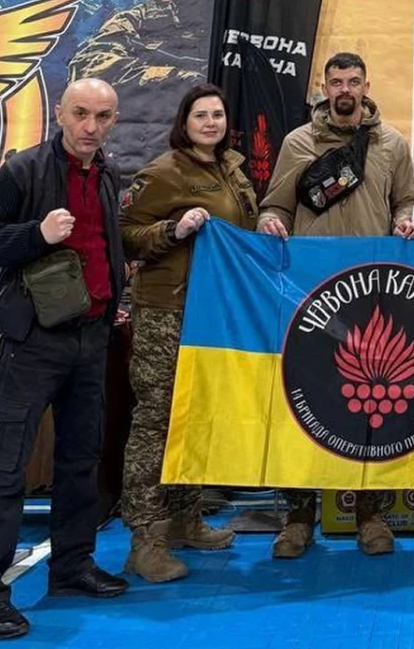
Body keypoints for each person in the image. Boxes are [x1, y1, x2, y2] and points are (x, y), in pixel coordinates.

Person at [0, 79, 129, 639]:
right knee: (5, 466)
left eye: (102, 116)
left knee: (80, 460)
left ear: (114, 120)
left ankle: (72, 566)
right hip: (33, 342)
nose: (90, 127)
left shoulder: (107, 173)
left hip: (90, 338)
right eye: (81, 113)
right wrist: (37, 233)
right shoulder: (24, 170)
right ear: (59, 112)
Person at [258, 52, 414, 558]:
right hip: (311, 293)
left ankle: (370, 513)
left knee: (371, 404)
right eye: (336, 82)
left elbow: (406, 199)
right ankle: (298, 516)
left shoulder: (391, 143)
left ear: (367, 86)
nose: (345, 89)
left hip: (372, 292)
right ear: (325, 88)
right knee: (303, 401)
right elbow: (276, 204)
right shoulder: (298, 142)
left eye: (353, 81)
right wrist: (269, 221)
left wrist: (406, 220)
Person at [118, 83, 257, 582]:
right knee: (156, 422)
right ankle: (145, 539)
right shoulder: (163, 173)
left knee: (194, 418)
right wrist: (171, 230)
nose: (211, 123)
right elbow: (125, 234)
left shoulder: (232, 170)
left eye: (218, 114)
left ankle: (184, 520)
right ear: (185, 121)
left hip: (212, 313)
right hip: (167, 311)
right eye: (201, 115)